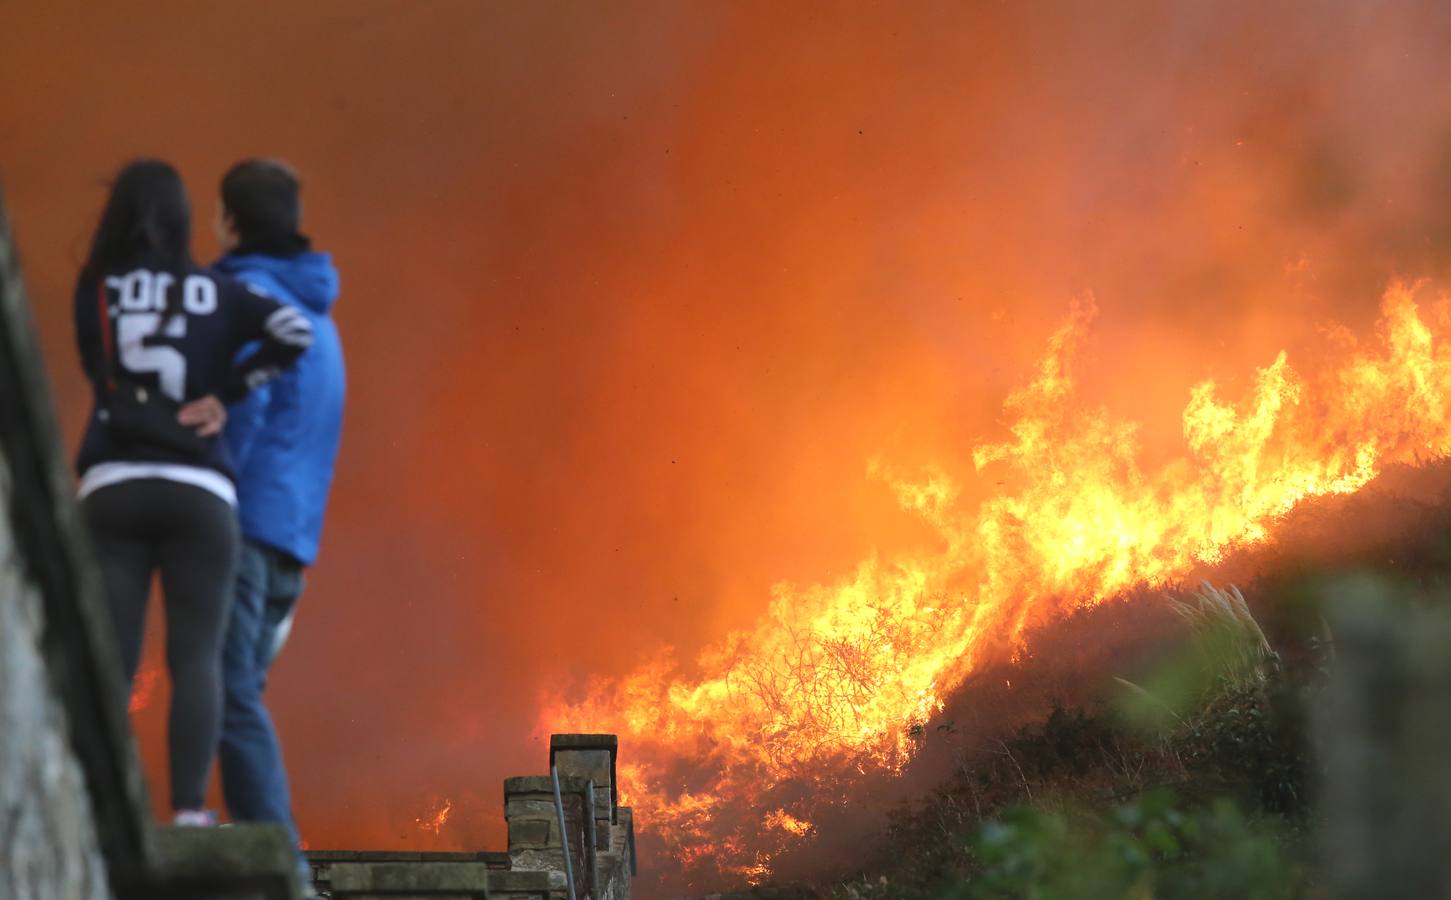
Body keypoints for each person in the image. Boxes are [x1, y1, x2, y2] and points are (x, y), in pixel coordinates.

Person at [74, 159, 314, 826]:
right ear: (187, 221)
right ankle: (187, 811)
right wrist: (227, 394)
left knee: (114, 654)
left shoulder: (99, 286)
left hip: (114, 482)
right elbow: (295, 331)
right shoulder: (215, 290)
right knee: (196, 657)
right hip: (199, 489)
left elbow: (97, 368)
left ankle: (101, 810)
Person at [211, 159, 345, 865]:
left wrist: (206, 490)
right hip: (292, 539)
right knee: (237, 692)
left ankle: (275, 859)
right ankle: (240, 840)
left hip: (245, 530)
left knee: (226, 690)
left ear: (230, 220)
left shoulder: (250, 300)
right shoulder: (320, 322)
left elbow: (244, 409)